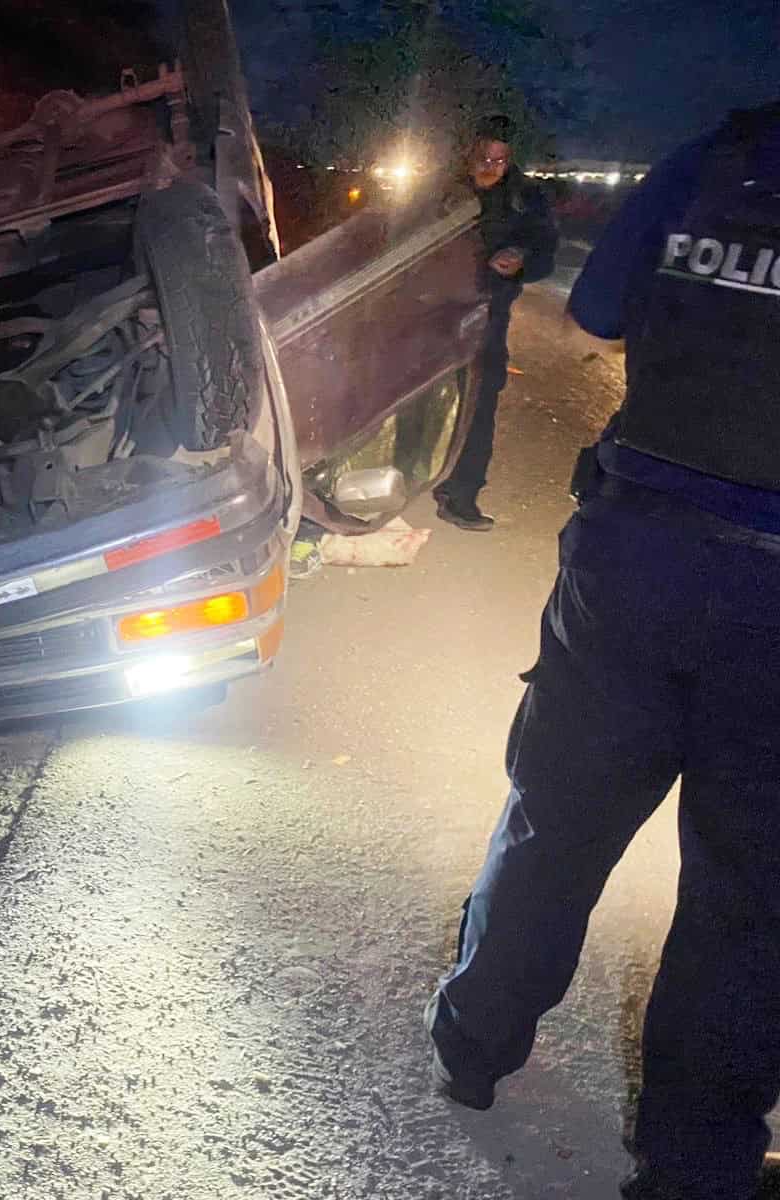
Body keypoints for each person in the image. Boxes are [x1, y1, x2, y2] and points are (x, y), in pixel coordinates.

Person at [426, 101, 780, 1200]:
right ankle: (694, 1168)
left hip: (637, 554)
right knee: (749, 899)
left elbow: (597, 307)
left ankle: (473, 1044)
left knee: (557, 817)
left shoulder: (718, 154)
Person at [433, 116, 559, 531]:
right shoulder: (442, 191)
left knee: (479, 405)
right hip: (431, 315)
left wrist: (521, 259)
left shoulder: (526, 200)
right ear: (470, 152)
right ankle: (409, 478)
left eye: (500, 161)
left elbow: (545, 252)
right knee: (419, 402)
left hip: (488, 318)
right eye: (484, 158)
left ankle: (461, 495)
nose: (490, 167)